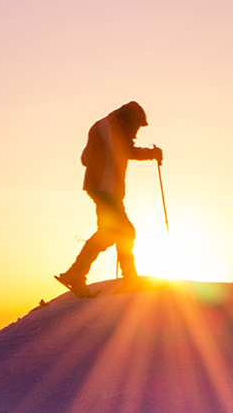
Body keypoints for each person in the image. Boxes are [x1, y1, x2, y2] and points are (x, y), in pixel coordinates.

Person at [56, 101, 163, 297]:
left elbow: (85, 158)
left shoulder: (100, 126)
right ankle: (127, 280)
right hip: (106, 187)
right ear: (132, 119)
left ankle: (77, 273)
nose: (137, 130)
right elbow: (126, 151)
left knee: (113, 231)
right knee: (124, 231)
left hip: (99, 187)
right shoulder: (116, 125)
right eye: (138, 125)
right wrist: (152, 153)